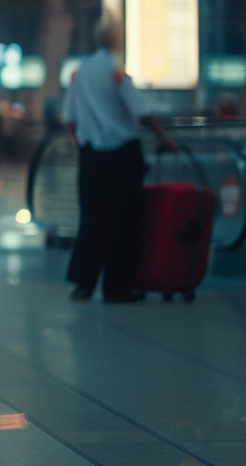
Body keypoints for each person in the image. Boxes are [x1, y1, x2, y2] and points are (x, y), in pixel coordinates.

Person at [61, 18, 178, 303]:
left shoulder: (80, 72)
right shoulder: (116, 70)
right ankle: (117, 288)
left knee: (91, 218)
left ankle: (83, 285)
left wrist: (81, 147)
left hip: (91, 157)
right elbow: (142, 111)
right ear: (115, 39)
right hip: (123, 154)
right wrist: (164, 140)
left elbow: (69, 118)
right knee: (124, 222)